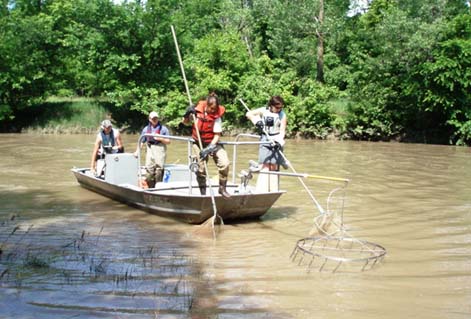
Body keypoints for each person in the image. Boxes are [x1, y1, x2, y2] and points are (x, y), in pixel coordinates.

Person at [182, 93, 231, 198]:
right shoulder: (196, 112)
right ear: (207, 106)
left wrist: (208, 149)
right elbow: (185, 123)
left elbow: (217, 136)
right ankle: (203, 192)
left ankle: (222, 188)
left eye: (215, 108)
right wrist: (187, 114)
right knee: (201, 168)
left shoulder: (217, 116)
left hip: (212, 142)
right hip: (198, 143)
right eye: (211, 108)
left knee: (225, 163)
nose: (213, 111)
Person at [246, 96, 288, 191]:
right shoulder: (263, 110)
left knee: (273, 165)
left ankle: (274, 189)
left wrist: (279, 143)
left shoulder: (282, 115)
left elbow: (282, 131)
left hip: (276, 138)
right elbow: (248, 114)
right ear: (271, 105)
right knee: (265, 164)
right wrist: (257, 122)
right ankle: (262, 189)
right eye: (277, 108)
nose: (279, 110)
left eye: (281, 108)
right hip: (265, 138)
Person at [134, 111, 170, 188]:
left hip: (160, 148)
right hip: (150, 148)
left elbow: (168, 141)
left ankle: (158, 186)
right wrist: (137, 151)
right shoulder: (146, 129)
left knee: (159, 169)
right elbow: (142, 141)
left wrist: (160, 138)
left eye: (156, 118)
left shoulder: (163, 129)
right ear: (149, 119)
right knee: (149, 169)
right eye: (153, 118)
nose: (155, 120)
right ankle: (150, 186)